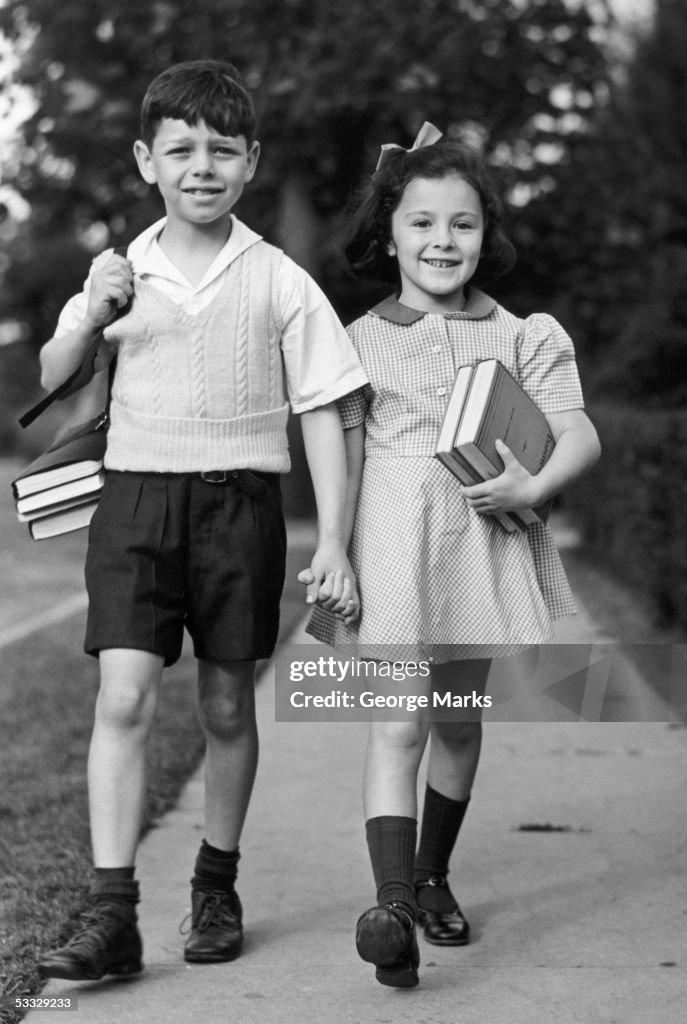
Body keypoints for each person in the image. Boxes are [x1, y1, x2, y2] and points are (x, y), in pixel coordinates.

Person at [36, 59, 365, 982]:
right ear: (147, 160)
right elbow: (54, 375)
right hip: (136, 503)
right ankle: (114, 915)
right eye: (180, 150)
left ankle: (215, 884)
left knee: (227, 704)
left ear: (250, 161)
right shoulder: (119, 272)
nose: (201, 167)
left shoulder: (279, 280)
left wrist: (333, 538)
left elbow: (327, 407)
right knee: (126, 696)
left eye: (222, 150)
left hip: (239, 506)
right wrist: (92, 316)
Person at [303, 124, 601, 989]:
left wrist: (530, 487)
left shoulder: (524, 335)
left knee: (459, 720)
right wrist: (332, 549)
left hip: (477, 545)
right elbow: (345, 458)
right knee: (397, 723)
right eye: (422, 223)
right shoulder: (356, 341)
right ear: (389, 233)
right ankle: (391, 907)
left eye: (461, 224)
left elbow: (577, 432)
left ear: (485, 233)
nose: (442, 242)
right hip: (393, 545)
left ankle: (431, 873)